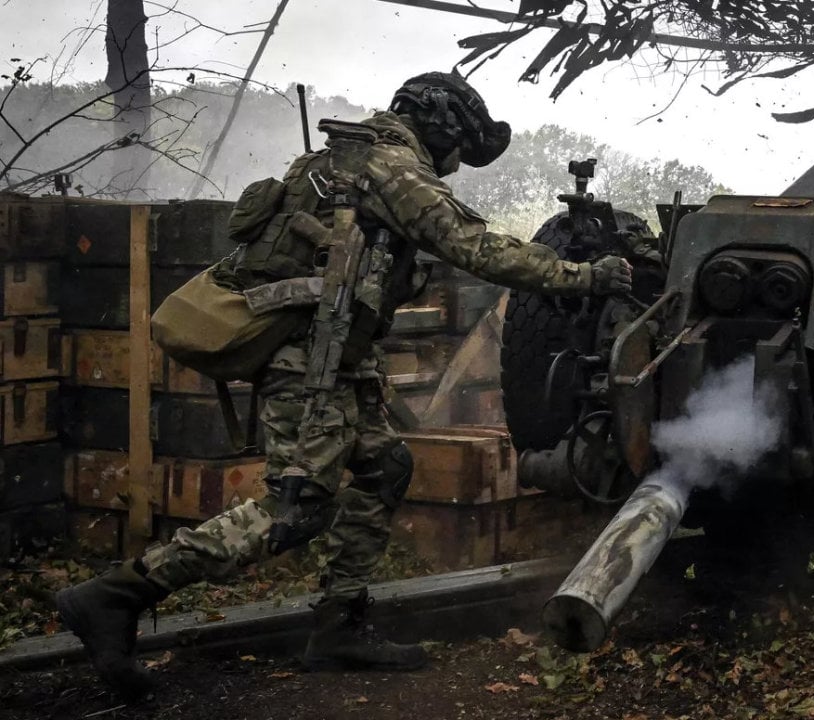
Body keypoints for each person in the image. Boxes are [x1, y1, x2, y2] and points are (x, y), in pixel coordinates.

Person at [53, 71, 634, 701]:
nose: (457, 160)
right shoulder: (391, 168)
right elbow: (477, 247)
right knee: (296, 508)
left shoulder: (342, 160)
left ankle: (337, 625)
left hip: (337, 359)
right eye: (460, 145)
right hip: (310, 362)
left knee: (385, 467)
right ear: (439, 123)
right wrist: (585, 276)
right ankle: (115, 596)